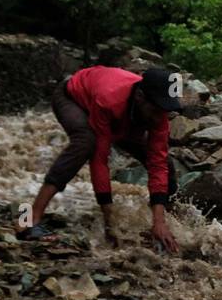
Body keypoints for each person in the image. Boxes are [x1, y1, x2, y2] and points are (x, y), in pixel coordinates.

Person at [19, 65, 181, 253]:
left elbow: (158, 164)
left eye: (165, 110)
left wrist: (158, 221)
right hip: (74, 99)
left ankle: (166, 225)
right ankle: (30, 219)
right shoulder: (109, 98)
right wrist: (109, 221)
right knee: (86, 142)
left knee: (166, 164)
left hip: (124, 120)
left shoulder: (158, 113)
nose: (160, 117)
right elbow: (99, 161)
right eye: (156, 109)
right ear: (140, 97)